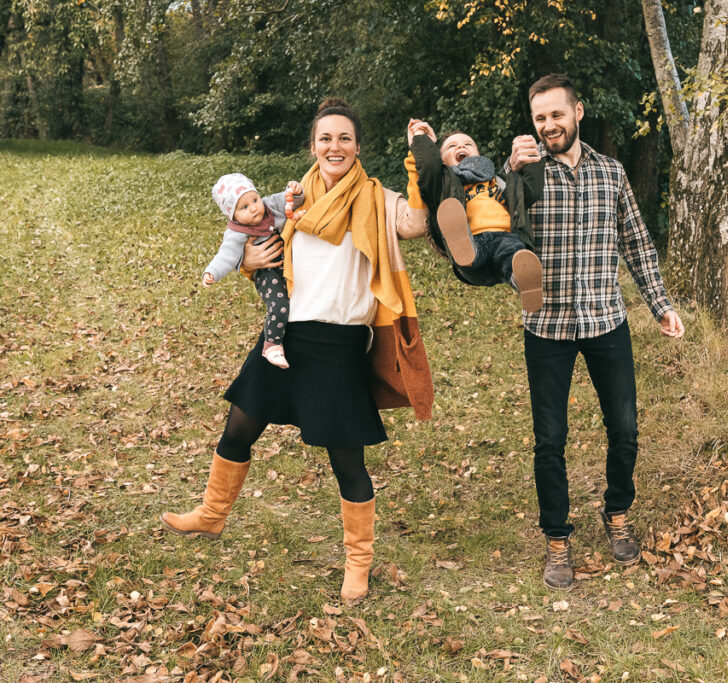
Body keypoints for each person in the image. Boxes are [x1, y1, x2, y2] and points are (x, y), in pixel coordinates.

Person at [160, 99, 433, 603]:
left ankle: (358, 562)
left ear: (357, 146)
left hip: (339, 343)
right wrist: (246, 259)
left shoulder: (376, 197)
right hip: (285, 336)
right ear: (313, 146)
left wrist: (420, 161)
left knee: (347, 459)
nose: (335, 146)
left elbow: (416, 223)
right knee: (240, 424)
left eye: (344, 138)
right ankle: (212, 515)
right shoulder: (291, 197)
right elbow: (260, 249)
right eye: (325, 138)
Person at [506, 74, 685, 590]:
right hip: (546, 325)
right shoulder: (524, 174)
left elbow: (636, 241)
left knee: (625, 429)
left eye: (556, 115)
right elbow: (491, 223)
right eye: (539, 118)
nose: (548, 126)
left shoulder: (611, 173)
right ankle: (558, 540)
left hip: (606, 319)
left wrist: (660, 305)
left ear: (577, 112)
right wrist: (509, 174)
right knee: (550, 440)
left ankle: (618, 512)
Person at [404, 119, 545, 312]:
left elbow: (529, 192)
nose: (461, 146)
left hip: (505, 237)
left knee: (514, 255)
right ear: (442, 160)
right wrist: (421, 138)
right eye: (451, 146)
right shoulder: (442, 183)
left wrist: (532, 157)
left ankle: (523, 281)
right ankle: (464, 247)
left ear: (478, 154)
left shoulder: (499, 181)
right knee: (470, 249)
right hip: (471, 243)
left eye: (468, 144)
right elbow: (428, 164)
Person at [203, 174, 305, 369]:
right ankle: (272, 345)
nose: (254, 208)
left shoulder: (269, 206)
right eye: (244, 207)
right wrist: (212, 272)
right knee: (279, 305)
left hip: (288, 264)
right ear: (232, 215)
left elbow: (292, 200)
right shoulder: (237, 232)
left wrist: (296, 191)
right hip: (266, 274)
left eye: (255, 200)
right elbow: (226, 255)